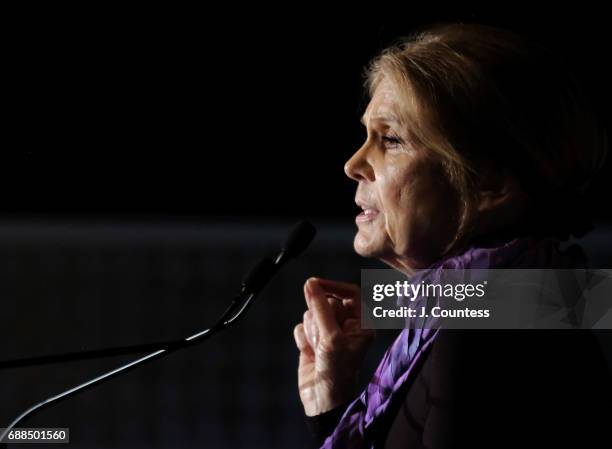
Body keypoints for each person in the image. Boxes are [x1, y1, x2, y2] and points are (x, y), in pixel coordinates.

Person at [293, 23, 612, 448]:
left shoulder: (487, 343)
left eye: (391, 139)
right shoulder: (521, 305)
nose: (353, 163)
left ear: (490, 185)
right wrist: (332, 405)